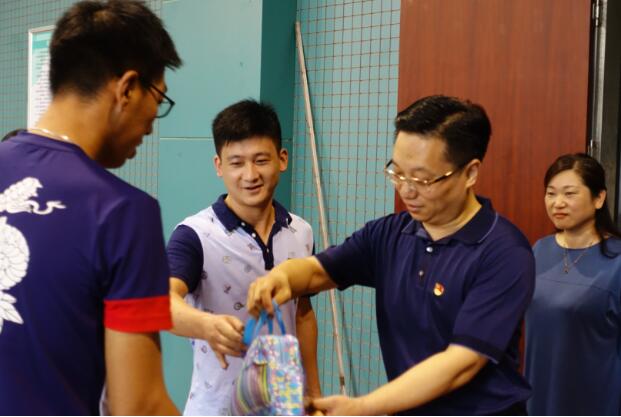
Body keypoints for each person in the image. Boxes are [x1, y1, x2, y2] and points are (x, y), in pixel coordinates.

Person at [247, 95, 536, 415]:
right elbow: (318, 271)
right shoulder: (390, 234)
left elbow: (461, 364)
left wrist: (363, 407)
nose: (406, 189)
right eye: (397, 173)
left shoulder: (504, 252)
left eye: (422, 179)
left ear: (469, 173)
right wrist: (281, 278)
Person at [0, 0, 182, 414]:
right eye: (158, 97)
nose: (153, 121)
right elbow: (137, 406)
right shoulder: (122, 213)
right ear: (127, 88)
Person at [166, 99, 321, 415]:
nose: (250, 175)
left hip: (284, 405)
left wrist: (314, 394)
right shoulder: (194, 234)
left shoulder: (301, 232)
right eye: (236, 163)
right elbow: (160, 302)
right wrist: (206, 326)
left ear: (282, 159)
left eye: (260, 160)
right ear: (218, 166)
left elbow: (302, 314)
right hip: (216, 408)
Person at [524, 153, 621, 415]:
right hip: (538, 396)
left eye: (569, 193)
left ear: (599, 198)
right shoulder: (539, 250)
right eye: (551, 193)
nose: (558, 203)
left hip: (595, 401)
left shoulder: (617, 261)